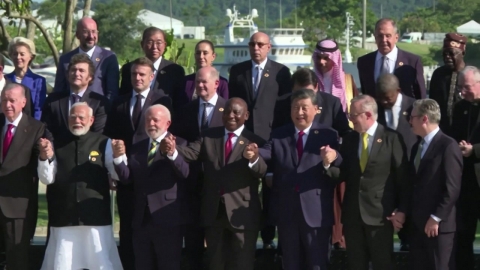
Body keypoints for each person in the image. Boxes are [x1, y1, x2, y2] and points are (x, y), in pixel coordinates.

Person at [161, 97, 268, 270]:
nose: (230, 116)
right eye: (226, 112)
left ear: (246, 115)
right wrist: (173, 150)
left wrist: (254, 158)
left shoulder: (254, 141)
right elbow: (190, 153)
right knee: (215, 263)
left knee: (242, 264)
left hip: (242, 215)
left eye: (236, 112)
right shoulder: (208, 136)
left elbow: (261, 171)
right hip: (213, 213)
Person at [259, 89, 342, 269]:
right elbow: (267, 151)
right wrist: (252, 153)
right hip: (287, 212)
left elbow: (339, 163)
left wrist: (331, 158)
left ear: (315, 109)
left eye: (304, 108)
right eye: (295, 108)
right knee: (290, 263)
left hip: (316, 213)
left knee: (317, 264)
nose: (300, 112)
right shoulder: (280, 134)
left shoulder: (328, 134)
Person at [326, 94, 409, 270]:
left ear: (368, 115)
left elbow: (403, 179)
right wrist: (327, 164)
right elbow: (342, 174)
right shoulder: (349, 140)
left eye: (353, 115)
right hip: (353, 216)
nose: (350, 120)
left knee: (382, 263)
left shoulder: (391, 138)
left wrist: (401, 209)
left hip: (380, 216)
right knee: (356, 264)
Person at [104, 56, 172, 270]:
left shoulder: (163, 100)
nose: (137, 78)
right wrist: (112, 170)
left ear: (152, 77)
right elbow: (111, 137)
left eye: (142, 74)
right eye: (134, 74)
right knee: (127, 230)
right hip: (125, 175)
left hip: (152, 175)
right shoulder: (119, 102)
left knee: (153, 232)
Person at [37, 102, 122, 270]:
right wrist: (43, 157)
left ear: (91, 120)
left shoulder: (104, 143)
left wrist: (119, 157)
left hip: (95, 218)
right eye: (73, 117)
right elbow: (46, 178)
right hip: (64, 218)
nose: (77, 120)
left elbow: (117, 175)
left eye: (81, 117)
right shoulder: (56, 143)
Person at [229, 31, 291, 249]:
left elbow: (284, 108)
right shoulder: (238, 71)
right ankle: (243, 236)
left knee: (270, 190)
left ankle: (267, 238)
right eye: (253, 44)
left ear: (269, 48)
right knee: (244, 188)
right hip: (244, 139)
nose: (256, 48)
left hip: (269, 140)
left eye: (261, 44)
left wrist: (278, 138)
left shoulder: (281, 72)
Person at [112, 104, 189, 270]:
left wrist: (172, 154)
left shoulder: (180, 144)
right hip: (141, 220)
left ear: (167, 123)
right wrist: (119, 159)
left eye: (156, 120)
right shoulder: (138, 147)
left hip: (167, 219)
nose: (151, 123)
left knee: (168, 265)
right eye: (148, 120)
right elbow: (127, 179)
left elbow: (184, 173)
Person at [170, 66, 227, 269]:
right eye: (198, 82)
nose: (200, 86)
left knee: (217, 248)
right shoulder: (187, 110)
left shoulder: (228, 111)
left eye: (204, 82)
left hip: (219, 188)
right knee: (193, 242)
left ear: (216, 84)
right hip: (191, 184)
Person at [408, 99, 461, 270]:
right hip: (418, 224)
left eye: (412, 117)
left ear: (424, 119)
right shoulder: (417, 147)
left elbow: (452, 188)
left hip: (439, 228)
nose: (410, 122)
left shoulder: (448, 146)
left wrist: (436, 217)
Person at [0, 83, 46, 270]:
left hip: (17, 207)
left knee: (17, 259)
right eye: (4, 100)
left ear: (23, 102)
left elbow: (42, 165)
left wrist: (45, 154)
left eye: (12, 100)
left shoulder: (36, 128)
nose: (7, 104)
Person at [450, 66, 480, 270]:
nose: (463, 91)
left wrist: (475, 150)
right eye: (461, 87)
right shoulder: (460, 108)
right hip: (466, 183)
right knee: (463, 234)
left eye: (467, 87)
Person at [42, 53, 109, 141]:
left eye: (81, 70)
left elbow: (98, 133)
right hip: (58, 151)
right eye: (73, 70)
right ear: (68, 74)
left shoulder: (100, 102)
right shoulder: (53, 100)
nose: (76, 73)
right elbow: (47, 129)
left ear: (90, 77)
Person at [357, 18, 425, 99]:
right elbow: (366, 93)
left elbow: (421, 97)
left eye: (388, 36)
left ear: (396, 37)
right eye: (380, 36)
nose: (384, 40)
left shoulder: (412, 62)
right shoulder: (364, 62)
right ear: (375, 37)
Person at [54, 18, 120, 100]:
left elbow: (112, 92)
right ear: (78, 35)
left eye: (94, 31)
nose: (91, 36)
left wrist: (103, 111)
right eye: (86, 32)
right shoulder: (65, 59)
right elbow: (58, 92)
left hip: (98, 110)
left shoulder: (108, 58)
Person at [120, 27, 185, 109]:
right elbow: (123, 97)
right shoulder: (129, 68)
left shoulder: (174, 70)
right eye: (150, 42)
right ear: (142, 44)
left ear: (165, 45)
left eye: (159, 42)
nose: (154, 47)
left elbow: (179, 102)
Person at [429, 33, 468, 135]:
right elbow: (432, 103)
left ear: (462, 53)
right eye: (445, 54)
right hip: (441, 132)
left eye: (451, 53)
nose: (447, 57)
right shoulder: (438, 75)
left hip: (465, 132)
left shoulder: (471, 75)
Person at [312, 39, 359, 113]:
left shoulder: (348, 80)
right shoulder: (311, 79)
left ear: (334, 59)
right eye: (319, 57)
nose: (321, 62)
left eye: (326, 58)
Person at [6, 36, 47, 120]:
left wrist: (35, 129)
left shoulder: (38, 81)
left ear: (31, 57)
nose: (18, 57)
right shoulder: (5, 79)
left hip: (29, 126)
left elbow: (38, 109)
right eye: (15, 54)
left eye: (22, 54)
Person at [180, 40, 228, 107]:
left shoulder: (222, 83)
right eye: (198, 53)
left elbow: (225, 107)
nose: (201, 56)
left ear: (213, 56)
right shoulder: (186, 81)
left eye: (205, 53)